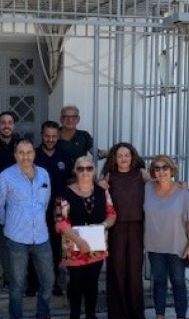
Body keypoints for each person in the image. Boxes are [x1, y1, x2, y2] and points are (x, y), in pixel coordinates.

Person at [0, 138, 54, 319]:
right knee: (17, 284)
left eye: (29, 152)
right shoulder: (5, 176)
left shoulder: (44, 174)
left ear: (34, 153)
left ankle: (43, 314)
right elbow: (0, 206)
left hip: (41, 237)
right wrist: (9, 227)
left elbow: (45, 203)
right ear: (15, 155)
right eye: (21, 152)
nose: (25, 156)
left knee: (48, 280)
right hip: (16, 238)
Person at [55, 156, 116, 319]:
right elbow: (61, 221)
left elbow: (112, 215)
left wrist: (102, 227)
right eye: (80, 168)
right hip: (73, 246)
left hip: (96, 246)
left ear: (94, 171)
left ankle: (91, 315)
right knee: (76, 283)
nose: (85, 172)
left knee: (92, 283)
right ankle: (74, 315)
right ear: (75, 171)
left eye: (89, 168)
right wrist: (80, 241)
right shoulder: (65, 193)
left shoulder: (102, 192)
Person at [144, 155, 189, 319]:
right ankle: (160, 315)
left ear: (172, 170)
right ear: (153, 172)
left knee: (178, 282)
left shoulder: (182, 192)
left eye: (165, 167)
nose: (161, 172)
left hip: (177, 246)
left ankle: (181, 315)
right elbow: (134, 170)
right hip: (154, 246)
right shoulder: (147, 188)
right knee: (159, 282)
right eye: (157, 168)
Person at [102, 142, 148, 319]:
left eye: (126, 155)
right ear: (114, 158)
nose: (123, 159)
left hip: (136, 227)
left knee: (134, 272)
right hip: (116, 228)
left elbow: (159, 184)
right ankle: (117, 314)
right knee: (117, 270)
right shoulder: (109, 176)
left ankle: (136, 314)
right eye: (120, 155)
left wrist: (179, 185)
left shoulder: (141, 174)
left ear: (132, 157)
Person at [34, 120, 73, 296]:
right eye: (47, 136)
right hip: (37, 207)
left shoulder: (65, 156)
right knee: (36, 244)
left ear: (58, 136)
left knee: (57, 247)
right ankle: (34, 283)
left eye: (53, 136)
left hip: (59, 208)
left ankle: (57, 284)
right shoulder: (33, 155)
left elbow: (71, 180)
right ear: (41, 135)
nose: (50, 139)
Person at [0, 110, 19, 288]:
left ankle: (9, 277)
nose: (6, 125)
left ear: (14, 125)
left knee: (9, 240)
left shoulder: (20, 145)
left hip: (16, 199)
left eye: (10, 122)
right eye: (3, 122)